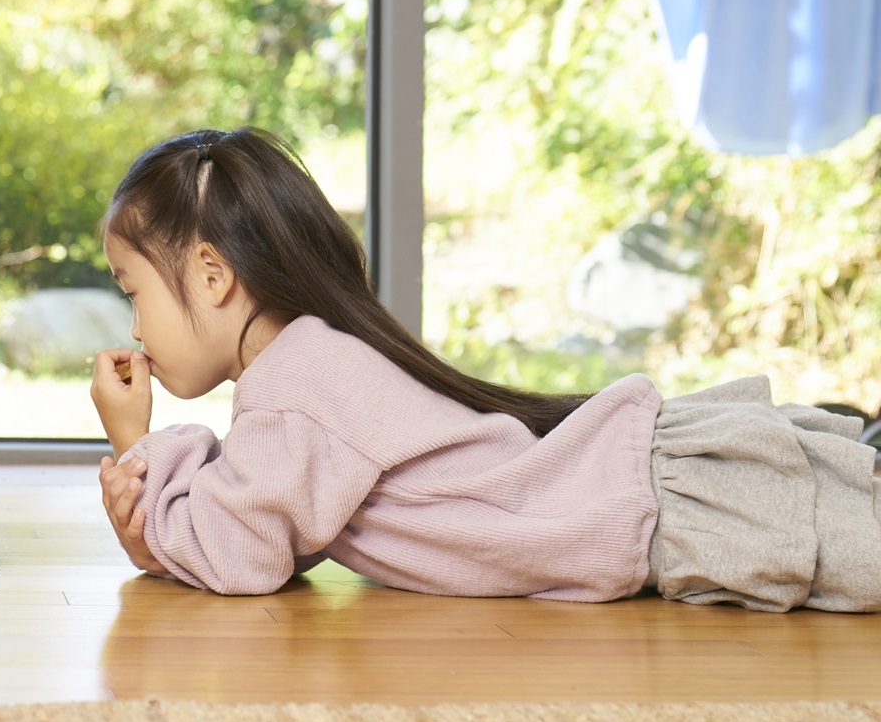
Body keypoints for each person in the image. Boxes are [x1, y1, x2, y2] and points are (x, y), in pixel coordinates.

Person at [88, 128, 881, 612]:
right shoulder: (306, 371)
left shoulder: (298, 387)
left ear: (211, 272)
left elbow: (240, 558)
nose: (134, 325)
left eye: (134, 291)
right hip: (650, 499)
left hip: (659, 509)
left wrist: (139, 445)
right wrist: (153, 515)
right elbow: (269, 533)